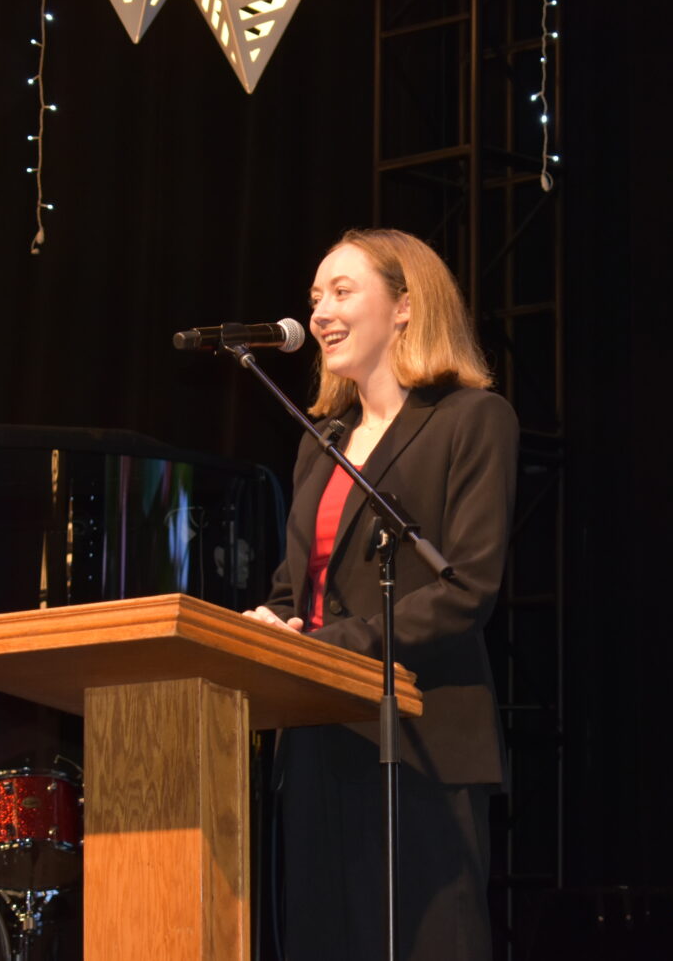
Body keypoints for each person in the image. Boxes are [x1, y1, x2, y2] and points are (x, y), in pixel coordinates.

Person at [243, 228, 517, 961]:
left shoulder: (472, 420)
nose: (322, 312)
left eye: (342, 291)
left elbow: (466, 589)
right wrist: (267, 625)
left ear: (405, 305)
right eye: (314, 298)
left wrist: (324, 648)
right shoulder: (319, 440)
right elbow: (295, 587)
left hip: (421, 736)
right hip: (318, 740)